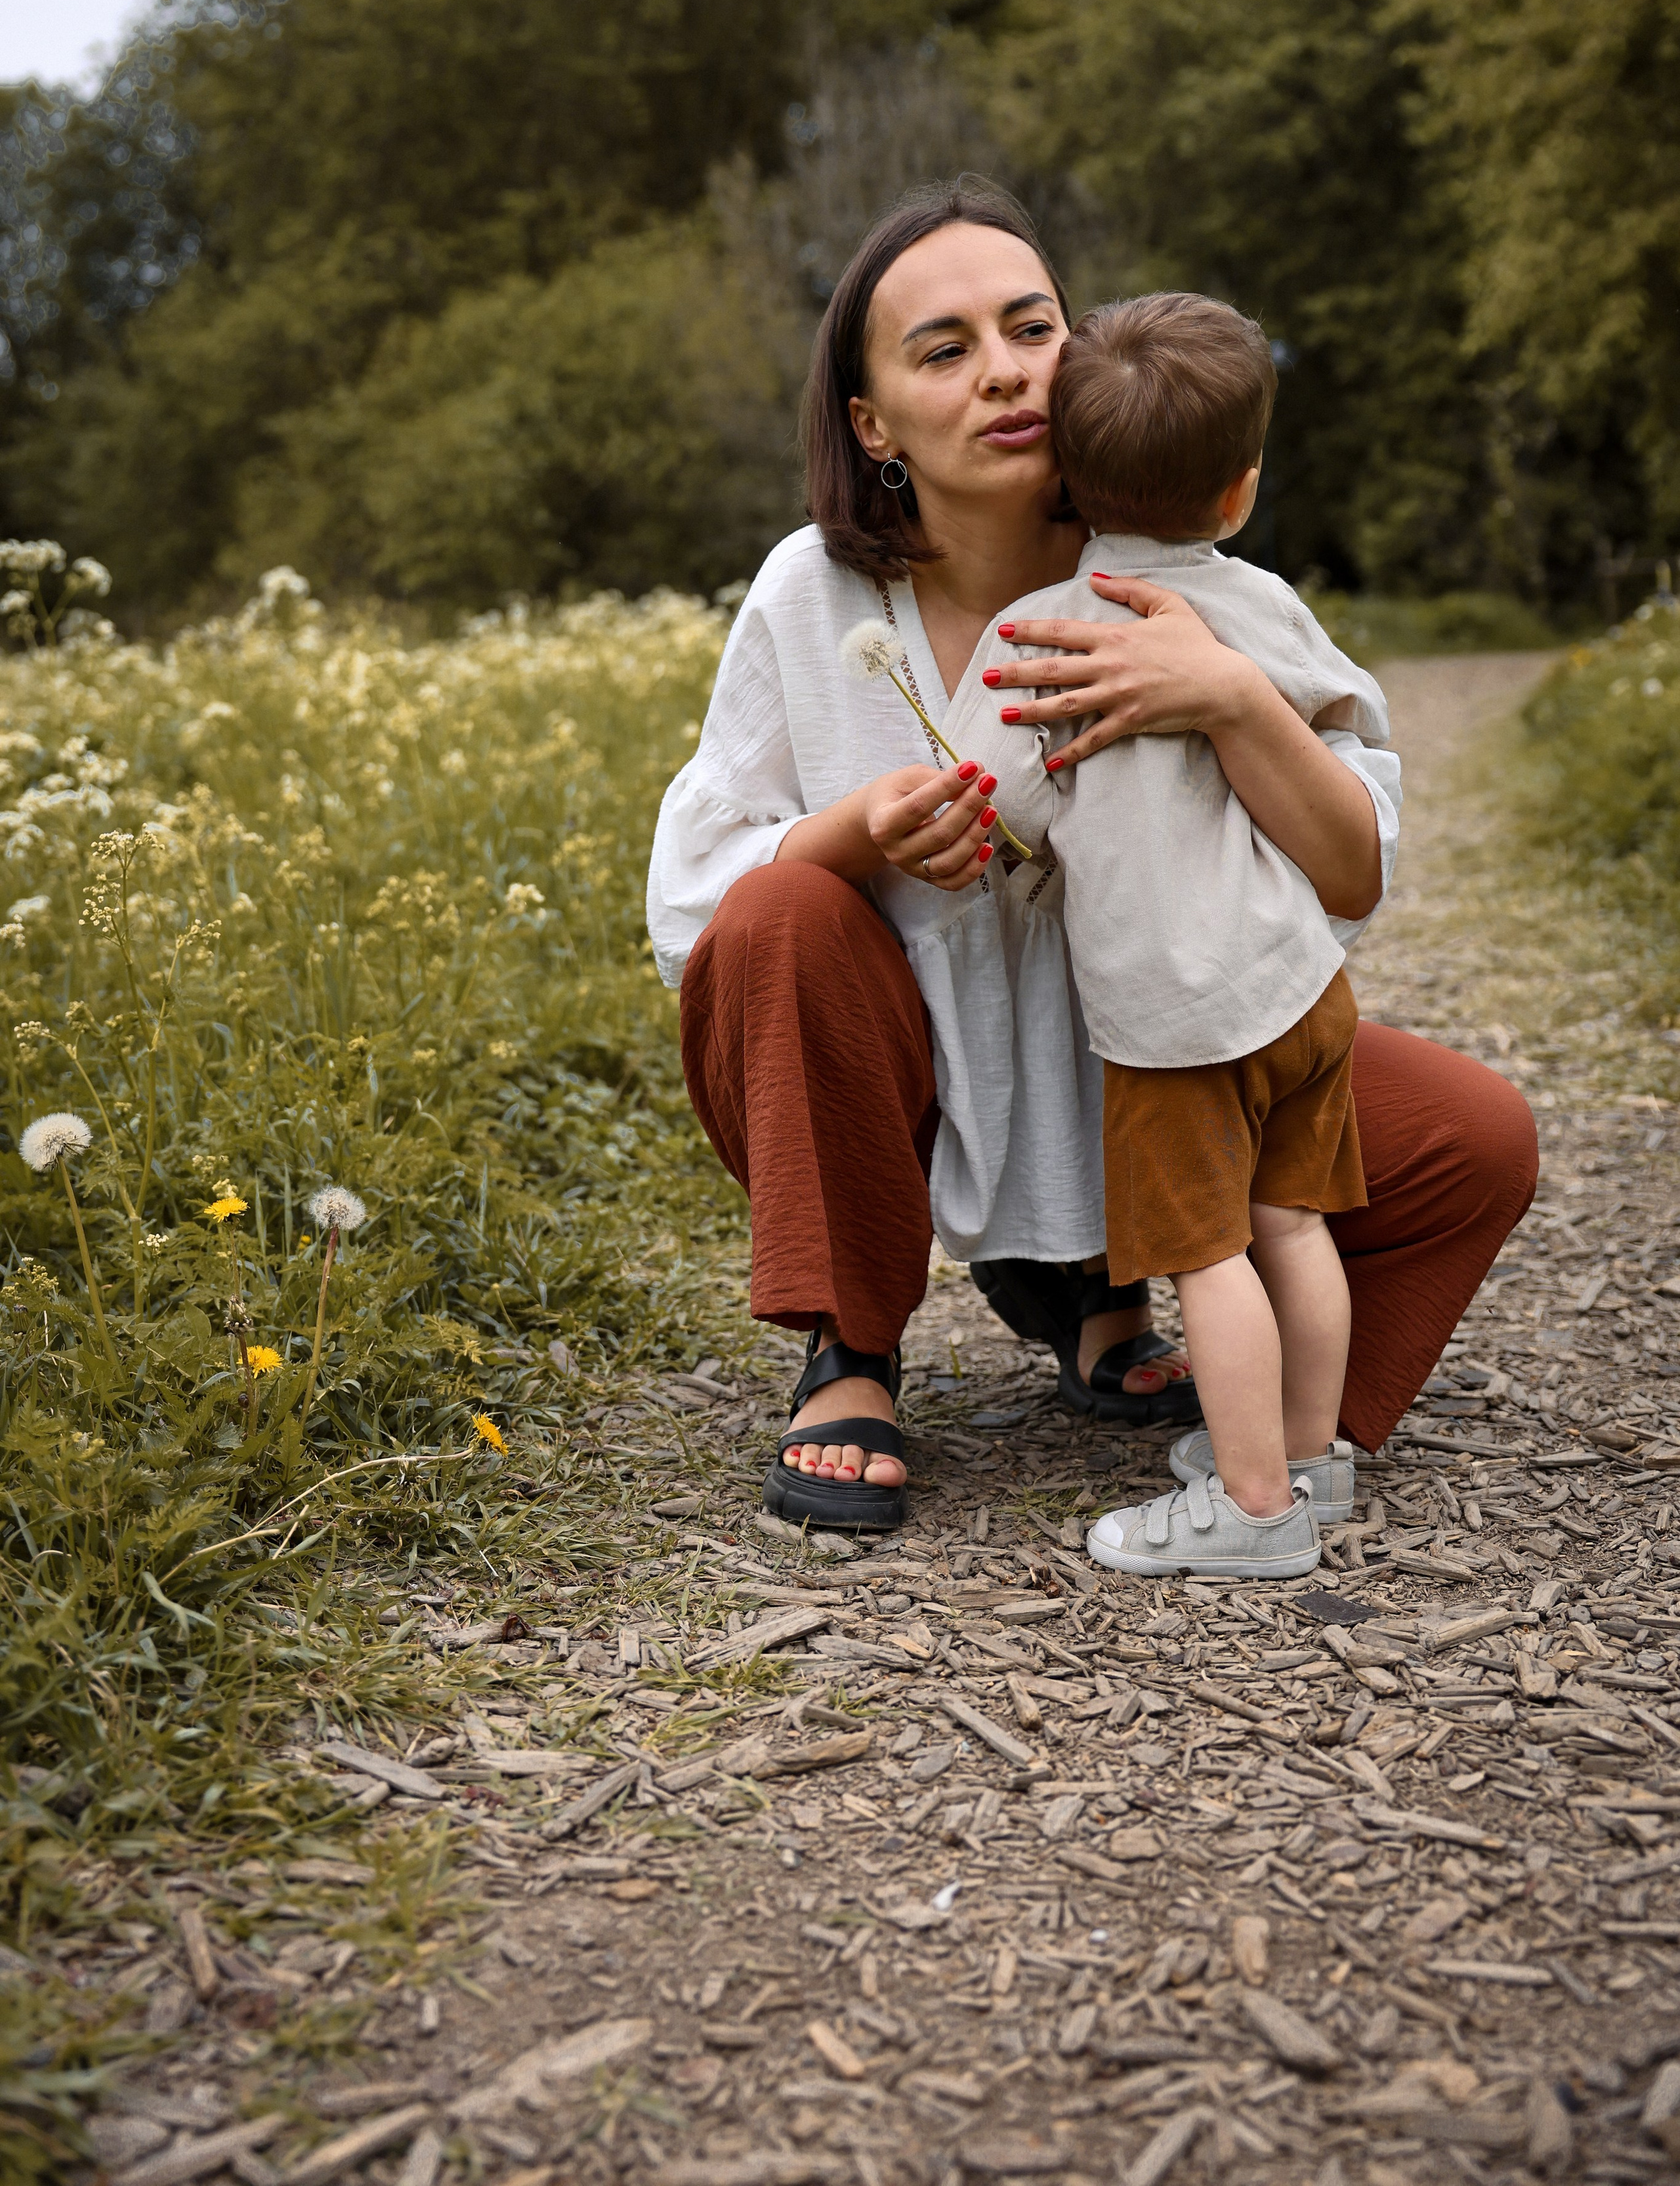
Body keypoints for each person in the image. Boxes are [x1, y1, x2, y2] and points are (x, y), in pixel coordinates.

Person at [646, 177, 1537, 1535]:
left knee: (1473, 1142)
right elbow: (691, 903)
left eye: (1030, 326)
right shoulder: (810, 593)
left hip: (1151, 1061)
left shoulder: (1173, 571)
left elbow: (1351, 873)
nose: (1003, 371)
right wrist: (856, 835)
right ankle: (850, 1346)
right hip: (913, 1062)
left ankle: (1245, 1419)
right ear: (872, 422)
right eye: (944, 349)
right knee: (779, 917)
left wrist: (1229, 697)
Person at [945, 292, 1387, 1575]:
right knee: (1289, 1227)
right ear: (1238, 490)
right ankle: (1310, 1463)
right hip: (1301, 989)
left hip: (1177, 1020)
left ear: (1068, 484)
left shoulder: (1038, 634)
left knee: (1205, 1258)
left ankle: (1250, 1511)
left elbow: (996, 807)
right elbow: (1343, 724)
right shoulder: (1262, 608)